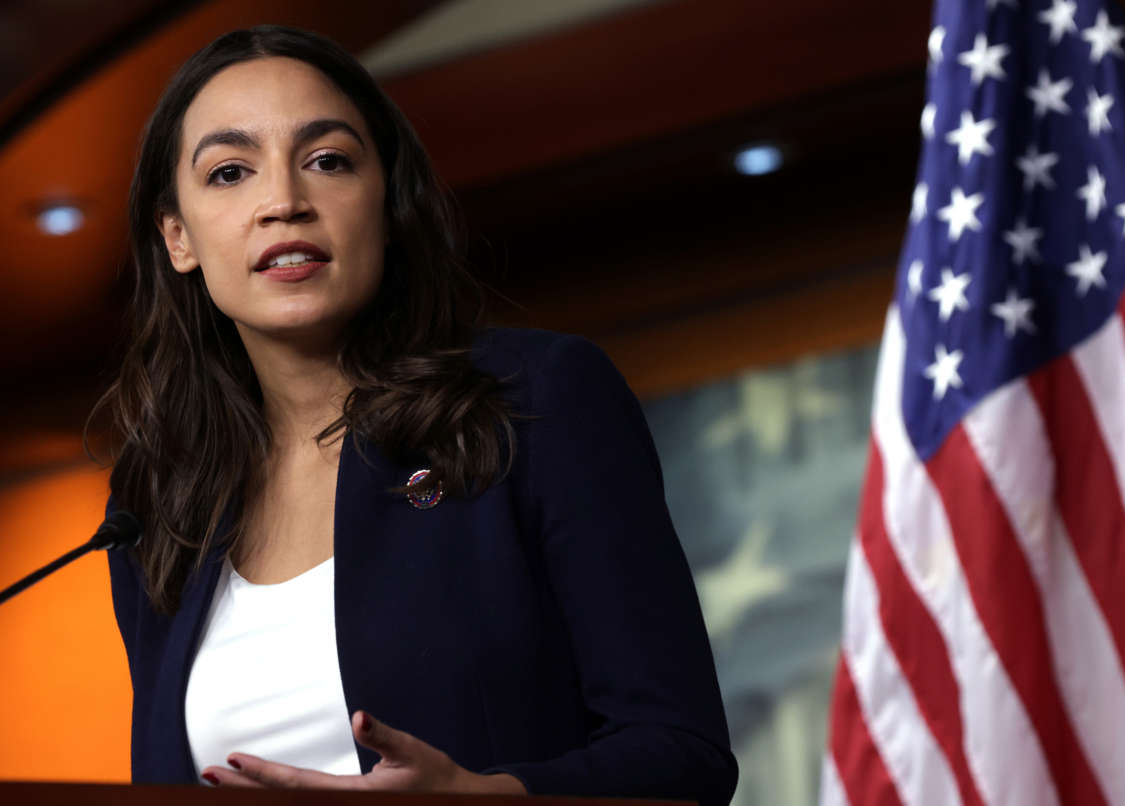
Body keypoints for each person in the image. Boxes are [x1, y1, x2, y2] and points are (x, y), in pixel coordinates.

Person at [93, 23, 736, 804]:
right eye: (230, 172)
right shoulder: (156, 503)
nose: (284, 202)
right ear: (178, 237)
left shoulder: (538, 401)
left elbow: (682, 754)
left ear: (388, 203)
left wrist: (487, 796)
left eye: (328, 161)